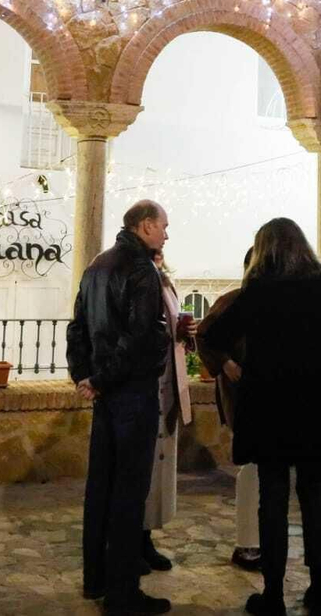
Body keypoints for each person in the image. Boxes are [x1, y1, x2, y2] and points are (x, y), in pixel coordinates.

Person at [198, 217, 321, 616]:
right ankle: (319, 592)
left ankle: (274, 596)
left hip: (269, 410)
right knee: (314, 499)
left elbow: (213, 334)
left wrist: (237, 362)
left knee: (273, 501)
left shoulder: (259, 288)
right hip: (314, 408)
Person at [67, 199, 173, 616]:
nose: (166, 234)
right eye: (163, 226)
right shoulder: (141, 269)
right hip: (130, 392)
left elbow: (77, 328)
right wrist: (101, 379)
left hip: (106, 394)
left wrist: (85, 376)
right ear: (145, 226)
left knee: (100, 488)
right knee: (129, 494)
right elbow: (138, 337)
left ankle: (95, 578)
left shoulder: (96, 265)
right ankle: (123, 593)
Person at [195, 249, 262, 572]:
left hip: (265, 395)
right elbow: (205, 337)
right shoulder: (233, 301)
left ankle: (258, 539)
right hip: (242, 395)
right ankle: (248, 543)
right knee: (252, 465)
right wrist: (225, 363)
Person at [142, 246, 194, 574]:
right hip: (149, 385)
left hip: (168, 386)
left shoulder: (166, 284)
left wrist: (186, 334)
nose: (161, 252)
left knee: (159, 469)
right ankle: (134, 540)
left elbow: (172, 330)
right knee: (144, 468)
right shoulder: (141, 283)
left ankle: (145, 536)